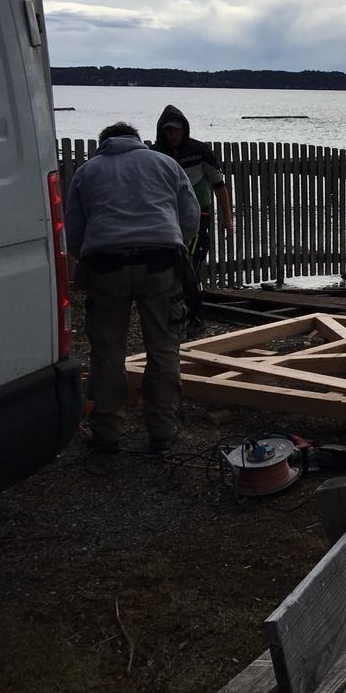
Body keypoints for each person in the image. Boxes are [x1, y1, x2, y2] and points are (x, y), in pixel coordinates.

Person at [65, 122, 200, 454]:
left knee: (107, 351)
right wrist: (175, 243)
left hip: (106, 266)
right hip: (160, 264)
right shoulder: (164, 164)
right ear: (137, 140)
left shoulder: (87, 171)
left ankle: (107, 431)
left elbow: (72, 229)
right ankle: (162, 431)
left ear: (104, 143)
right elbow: (190, 214)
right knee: (164, 348)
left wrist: (90, 253)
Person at [152, 105, 233, 338]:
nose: (173, 135)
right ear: (162, 131)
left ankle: (196, 319)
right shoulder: (156, 153)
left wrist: (227, 219)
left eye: (177, 130)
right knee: (169, 269)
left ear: (184, 129)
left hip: (200, 218)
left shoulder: (200, 151)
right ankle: (176, 317)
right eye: (168, 130)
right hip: (167, 221)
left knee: (191, 268)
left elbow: (219, 185)